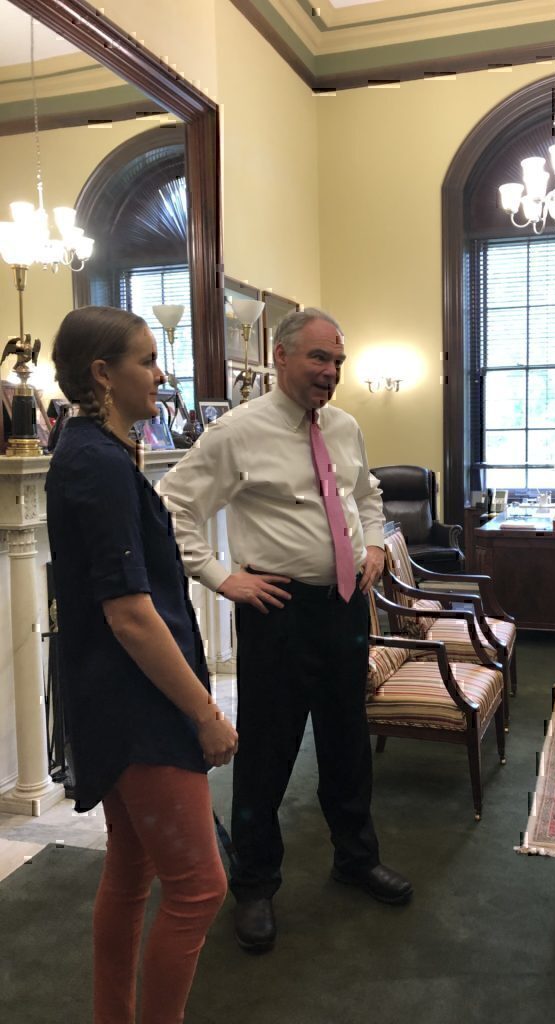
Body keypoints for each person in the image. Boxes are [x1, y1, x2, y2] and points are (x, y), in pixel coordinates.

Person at [157, 307, 412, 955]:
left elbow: (366, 494)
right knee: (268, 752)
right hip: (277, 612)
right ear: (281, 357)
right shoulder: (237, 432)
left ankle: (355, 858)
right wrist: (219, 576)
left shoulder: (346, 428)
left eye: (337, 361)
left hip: (346, 607)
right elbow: (172, 505)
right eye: (319, 359)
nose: (331, 372)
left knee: (347, 740)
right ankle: (254, 884)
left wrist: (377, 543)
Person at [47, 305, 238, 1024]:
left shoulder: (93, 449)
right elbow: (130, 613)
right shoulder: (94, 461)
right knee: (199, 888)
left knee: (132, 873)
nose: (161, 375)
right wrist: (206, 712)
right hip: (136, 708)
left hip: (116, 698)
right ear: (102, 374)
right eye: (147, 361)